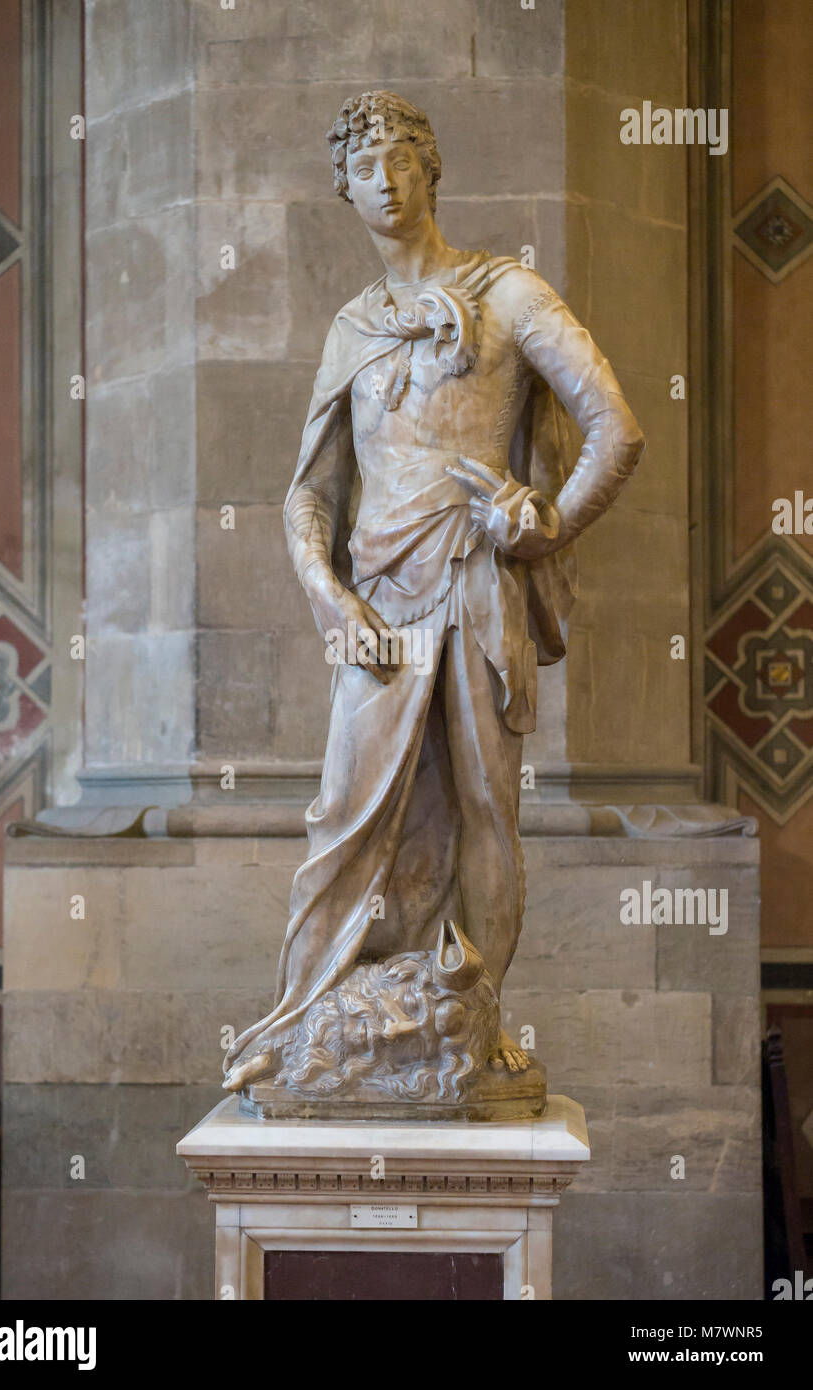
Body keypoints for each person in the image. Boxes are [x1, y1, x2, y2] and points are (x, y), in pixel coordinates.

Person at [224, 90, 644, 1094]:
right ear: (344, 191)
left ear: (432, 169)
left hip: (471, 581)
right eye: (362, 167)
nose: (381, 178)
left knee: (483, 811)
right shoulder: (351, 329)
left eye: (400, 159)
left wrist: (540, 521)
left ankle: (472, 1014)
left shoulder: (507, 295)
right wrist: (330, 599)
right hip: (376, 605)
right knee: (345, 816)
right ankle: (311, 1019)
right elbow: (309, 496)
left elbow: (616, 427)